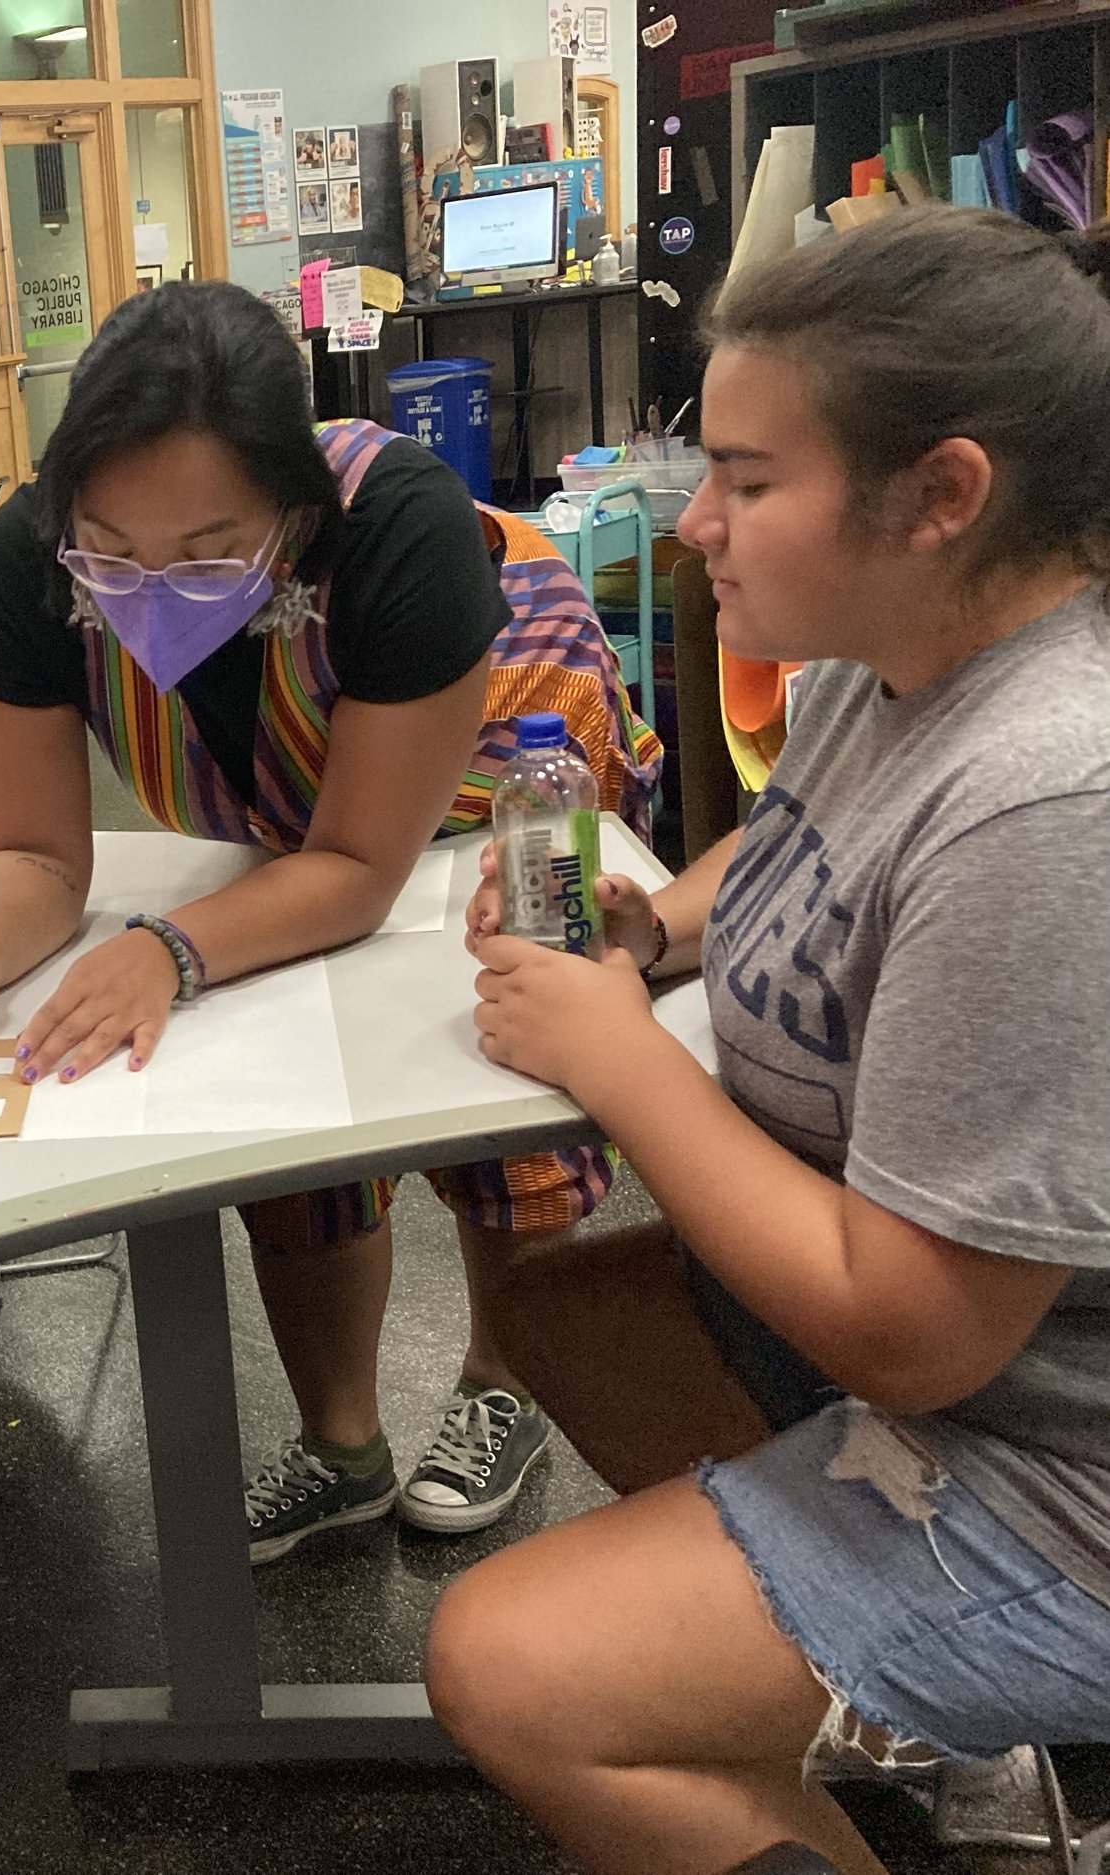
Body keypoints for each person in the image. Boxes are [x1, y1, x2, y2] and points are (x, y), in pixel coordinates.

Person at [427, 209, 1110, 1874]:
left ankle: (916, 1667)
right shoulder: (878, 671)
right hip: (976, 1389)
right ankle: (873, 1696)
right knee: (564, 1307)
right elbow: (797, 838)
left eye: (745, 480)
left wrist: (619, 1055)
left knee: (511, 1668)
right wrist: (653, 934)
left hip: (1059, 1470)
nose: (698, 529)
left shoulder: (1044, 797)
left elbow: (919, 1333)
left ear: (943, 497)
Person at [0, 281, 660, 1527]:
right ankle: (340, 1445)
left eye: (207, 553)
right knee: (290, 1104)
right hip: (294, 811)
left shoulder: (394, 531)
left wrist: (173, 949)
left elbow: (359, 858)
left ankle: (506, 1379)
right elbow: (35, 852)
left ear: (291, 517)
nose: (150, 589)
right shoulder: (19, 566)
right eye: (113, 552)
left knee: (512, 1046)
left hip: (504, 754)